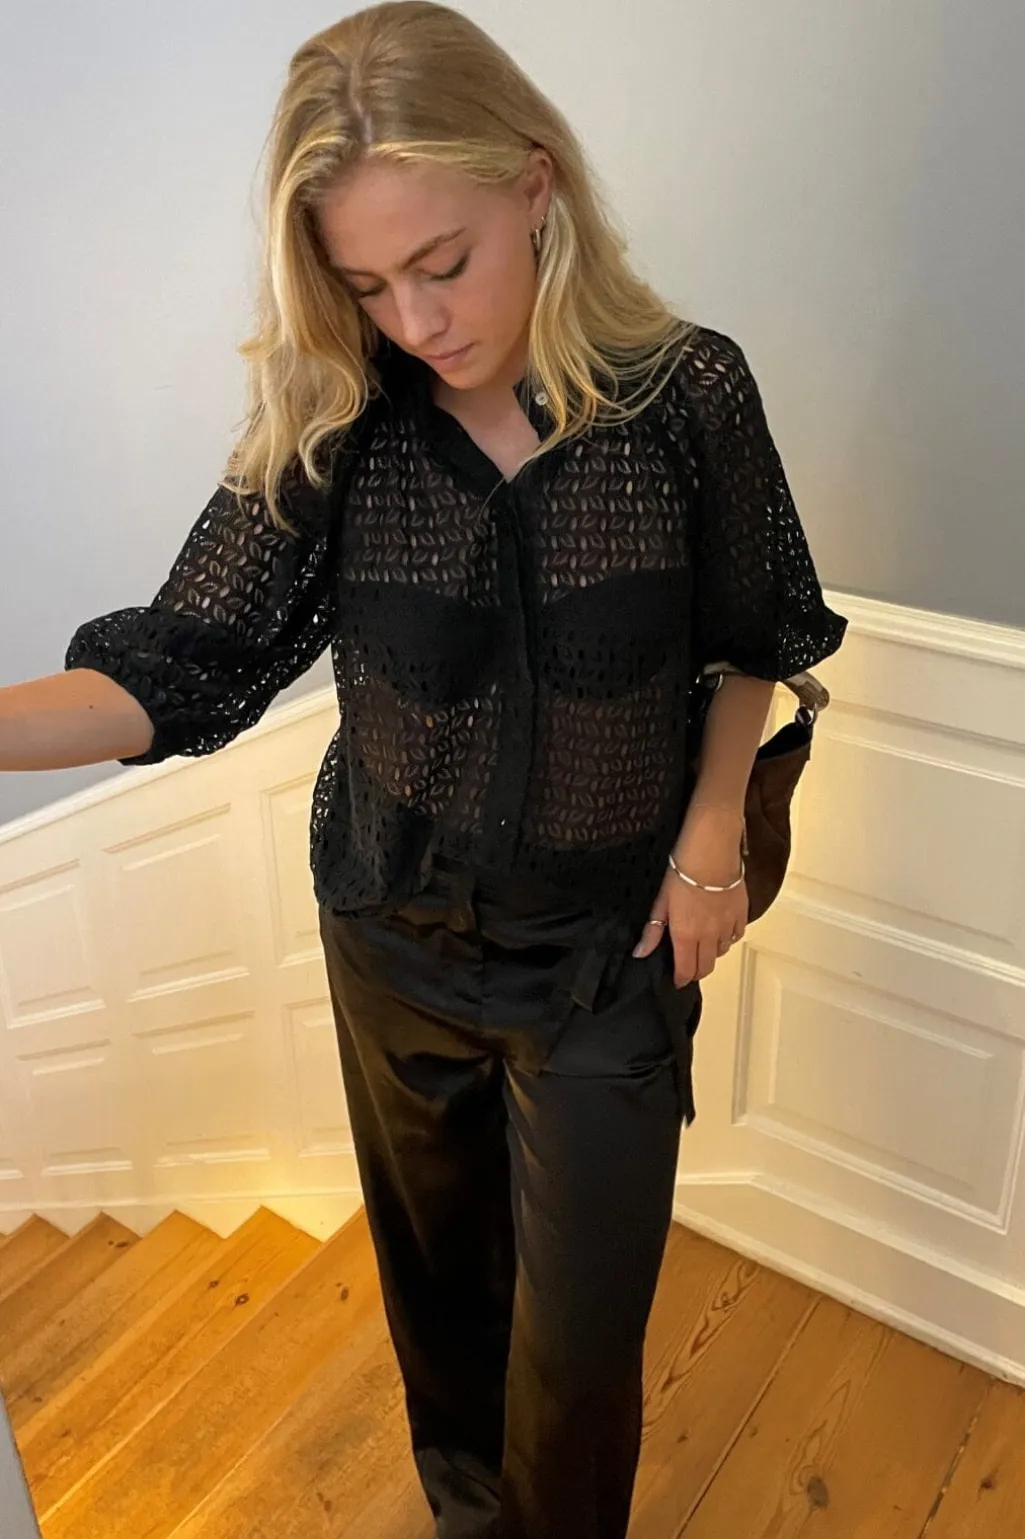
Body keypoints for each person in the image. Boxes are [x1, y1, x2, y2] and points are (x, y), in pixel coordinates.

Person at [0, 4, 847, 1535]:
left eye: (442, 263)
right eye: (368, 285)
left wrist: (714, 834)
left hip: (605, 951)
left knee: (577, 1347)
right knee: (444, 1307)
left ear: (534, 183)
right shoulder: (343, 425)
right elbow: (173, 666)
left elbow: (755, 634)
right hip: (393, 938)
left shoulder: (685, 398)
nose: (417, 320)